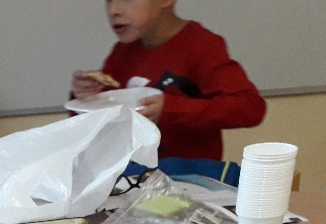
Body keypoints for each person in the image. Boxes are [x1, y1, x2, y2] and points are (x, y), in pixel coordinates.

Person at [70, 0, 266, 161]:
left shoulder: (200, 45)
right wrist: (87, 99)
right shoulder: (122, 53)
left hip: (191, 181)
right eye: (109, 0)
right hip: (133, 178)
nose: (113, 10)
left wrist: (171, 109)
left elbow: (250, 108)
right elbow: (99, 126)